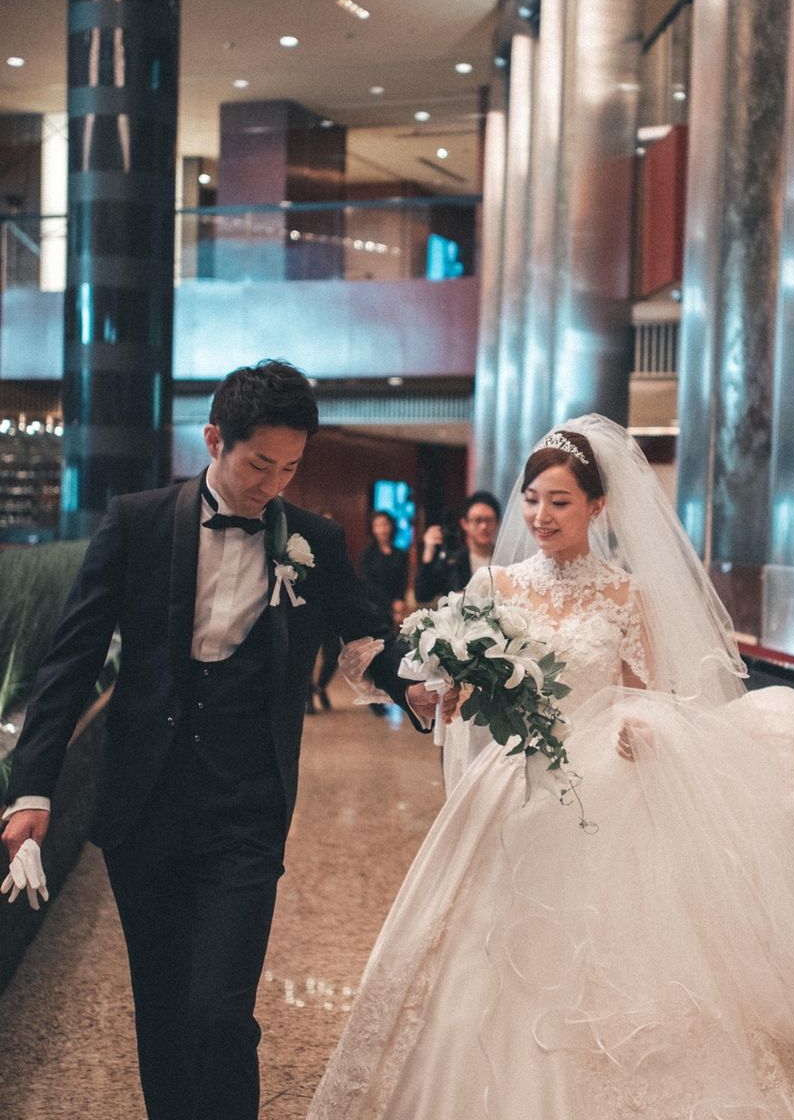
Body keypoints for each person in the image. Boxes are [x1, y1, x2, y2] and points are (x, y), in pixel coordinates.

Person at [307, 415, 794, 1120]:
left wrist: (640, 726)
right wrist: (450, 690)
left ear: (597, 506)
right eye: (532, 498)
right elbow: (460, 690)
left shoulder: (625, 596)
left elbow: (651, 695)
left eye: (560, 501)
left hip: (603, 791)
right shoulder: (494, 586)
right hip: (509, 785)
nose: (540, 515)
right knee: (471, 951)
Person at [0, 360, 456, 1120]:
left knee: (220, 1013)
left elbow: (367, 633)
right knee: (164, 1011)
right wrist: (33, 789)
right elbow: (71, 661)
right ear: (215, 440)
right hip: (145, 806)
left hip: (247, 808)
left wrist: (409, 686)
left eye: (291, 468)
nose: (273, 485)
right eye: (259, 464)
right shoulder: (138, 522)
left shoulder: (313, 539)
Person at [414, 490, 500, 601]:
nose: (484, 526)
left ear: (498, 523)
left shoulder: (505, 558)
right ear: (465, 523)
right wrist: (428, 553)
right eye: (478, 520)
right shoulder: (453, 560)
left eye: (489, 520)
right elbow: (422, 596)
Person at [361, 511, 409, 615]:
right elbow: (369, 584)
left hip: (398, 607)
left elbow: (402, 582)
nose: (382, 530)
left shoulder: (401, 554)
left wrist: (400, 602)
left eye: (385, 524)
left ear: (392, 526)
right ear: (372, 529)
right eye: (378, 526)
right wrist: (391, 604)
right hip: (374, 606)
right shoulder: (368, 554)